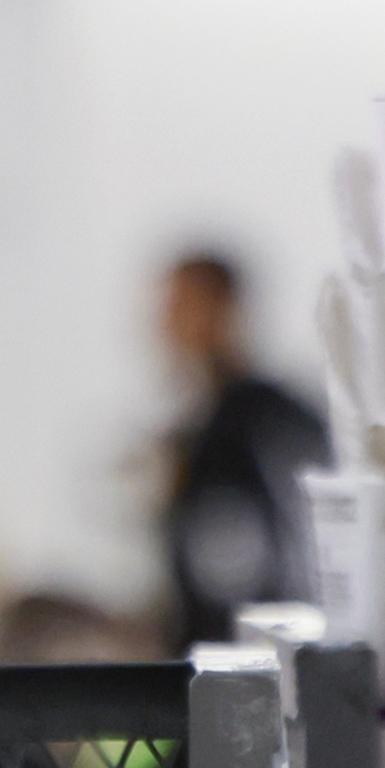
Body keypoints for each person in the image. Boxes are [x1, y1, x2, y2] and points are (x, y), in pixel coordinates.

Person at [153, 248, 327, 651]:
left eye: (181, 306)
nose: (166, 323)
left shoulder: (258, 420)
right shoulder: (199, 425)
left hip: (248, 658)